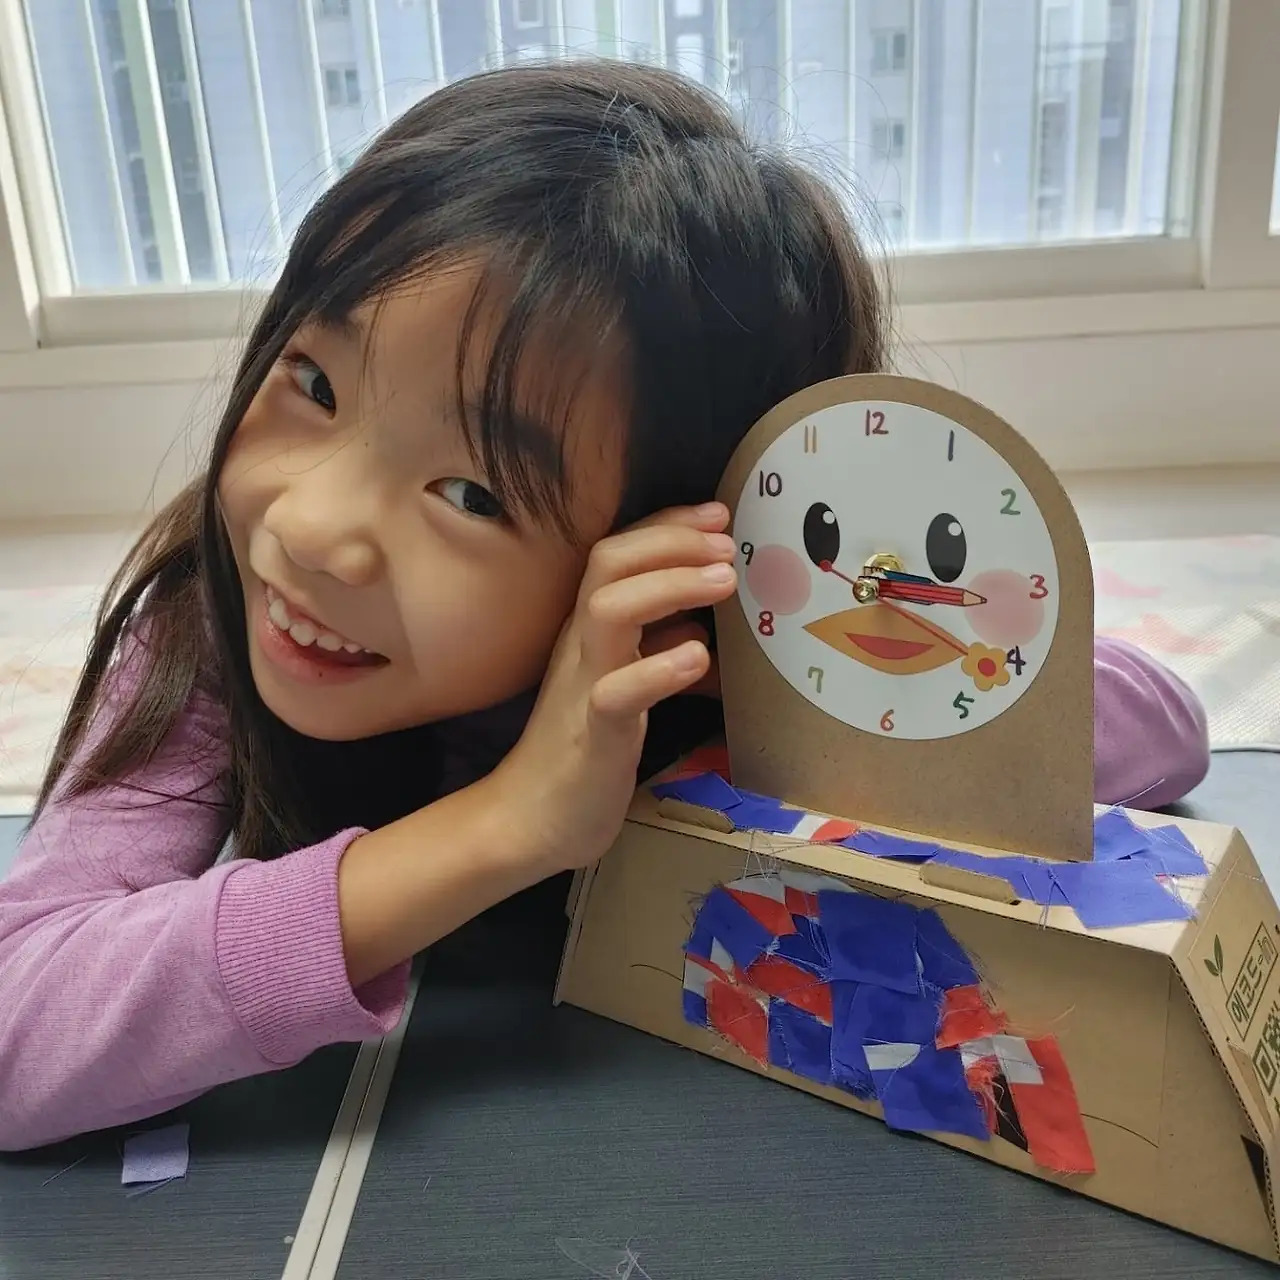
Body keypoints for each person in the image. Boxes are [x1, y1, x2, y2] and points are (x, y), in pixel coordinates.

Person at [0, 63, 1207, 1152]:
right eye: (312, 380)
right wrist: (506, 822)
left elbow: (1161, 726)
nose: (309, 528)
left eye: (470, 493)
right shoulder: (209, 626)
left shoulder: (691, 658)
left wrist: (779, 661)